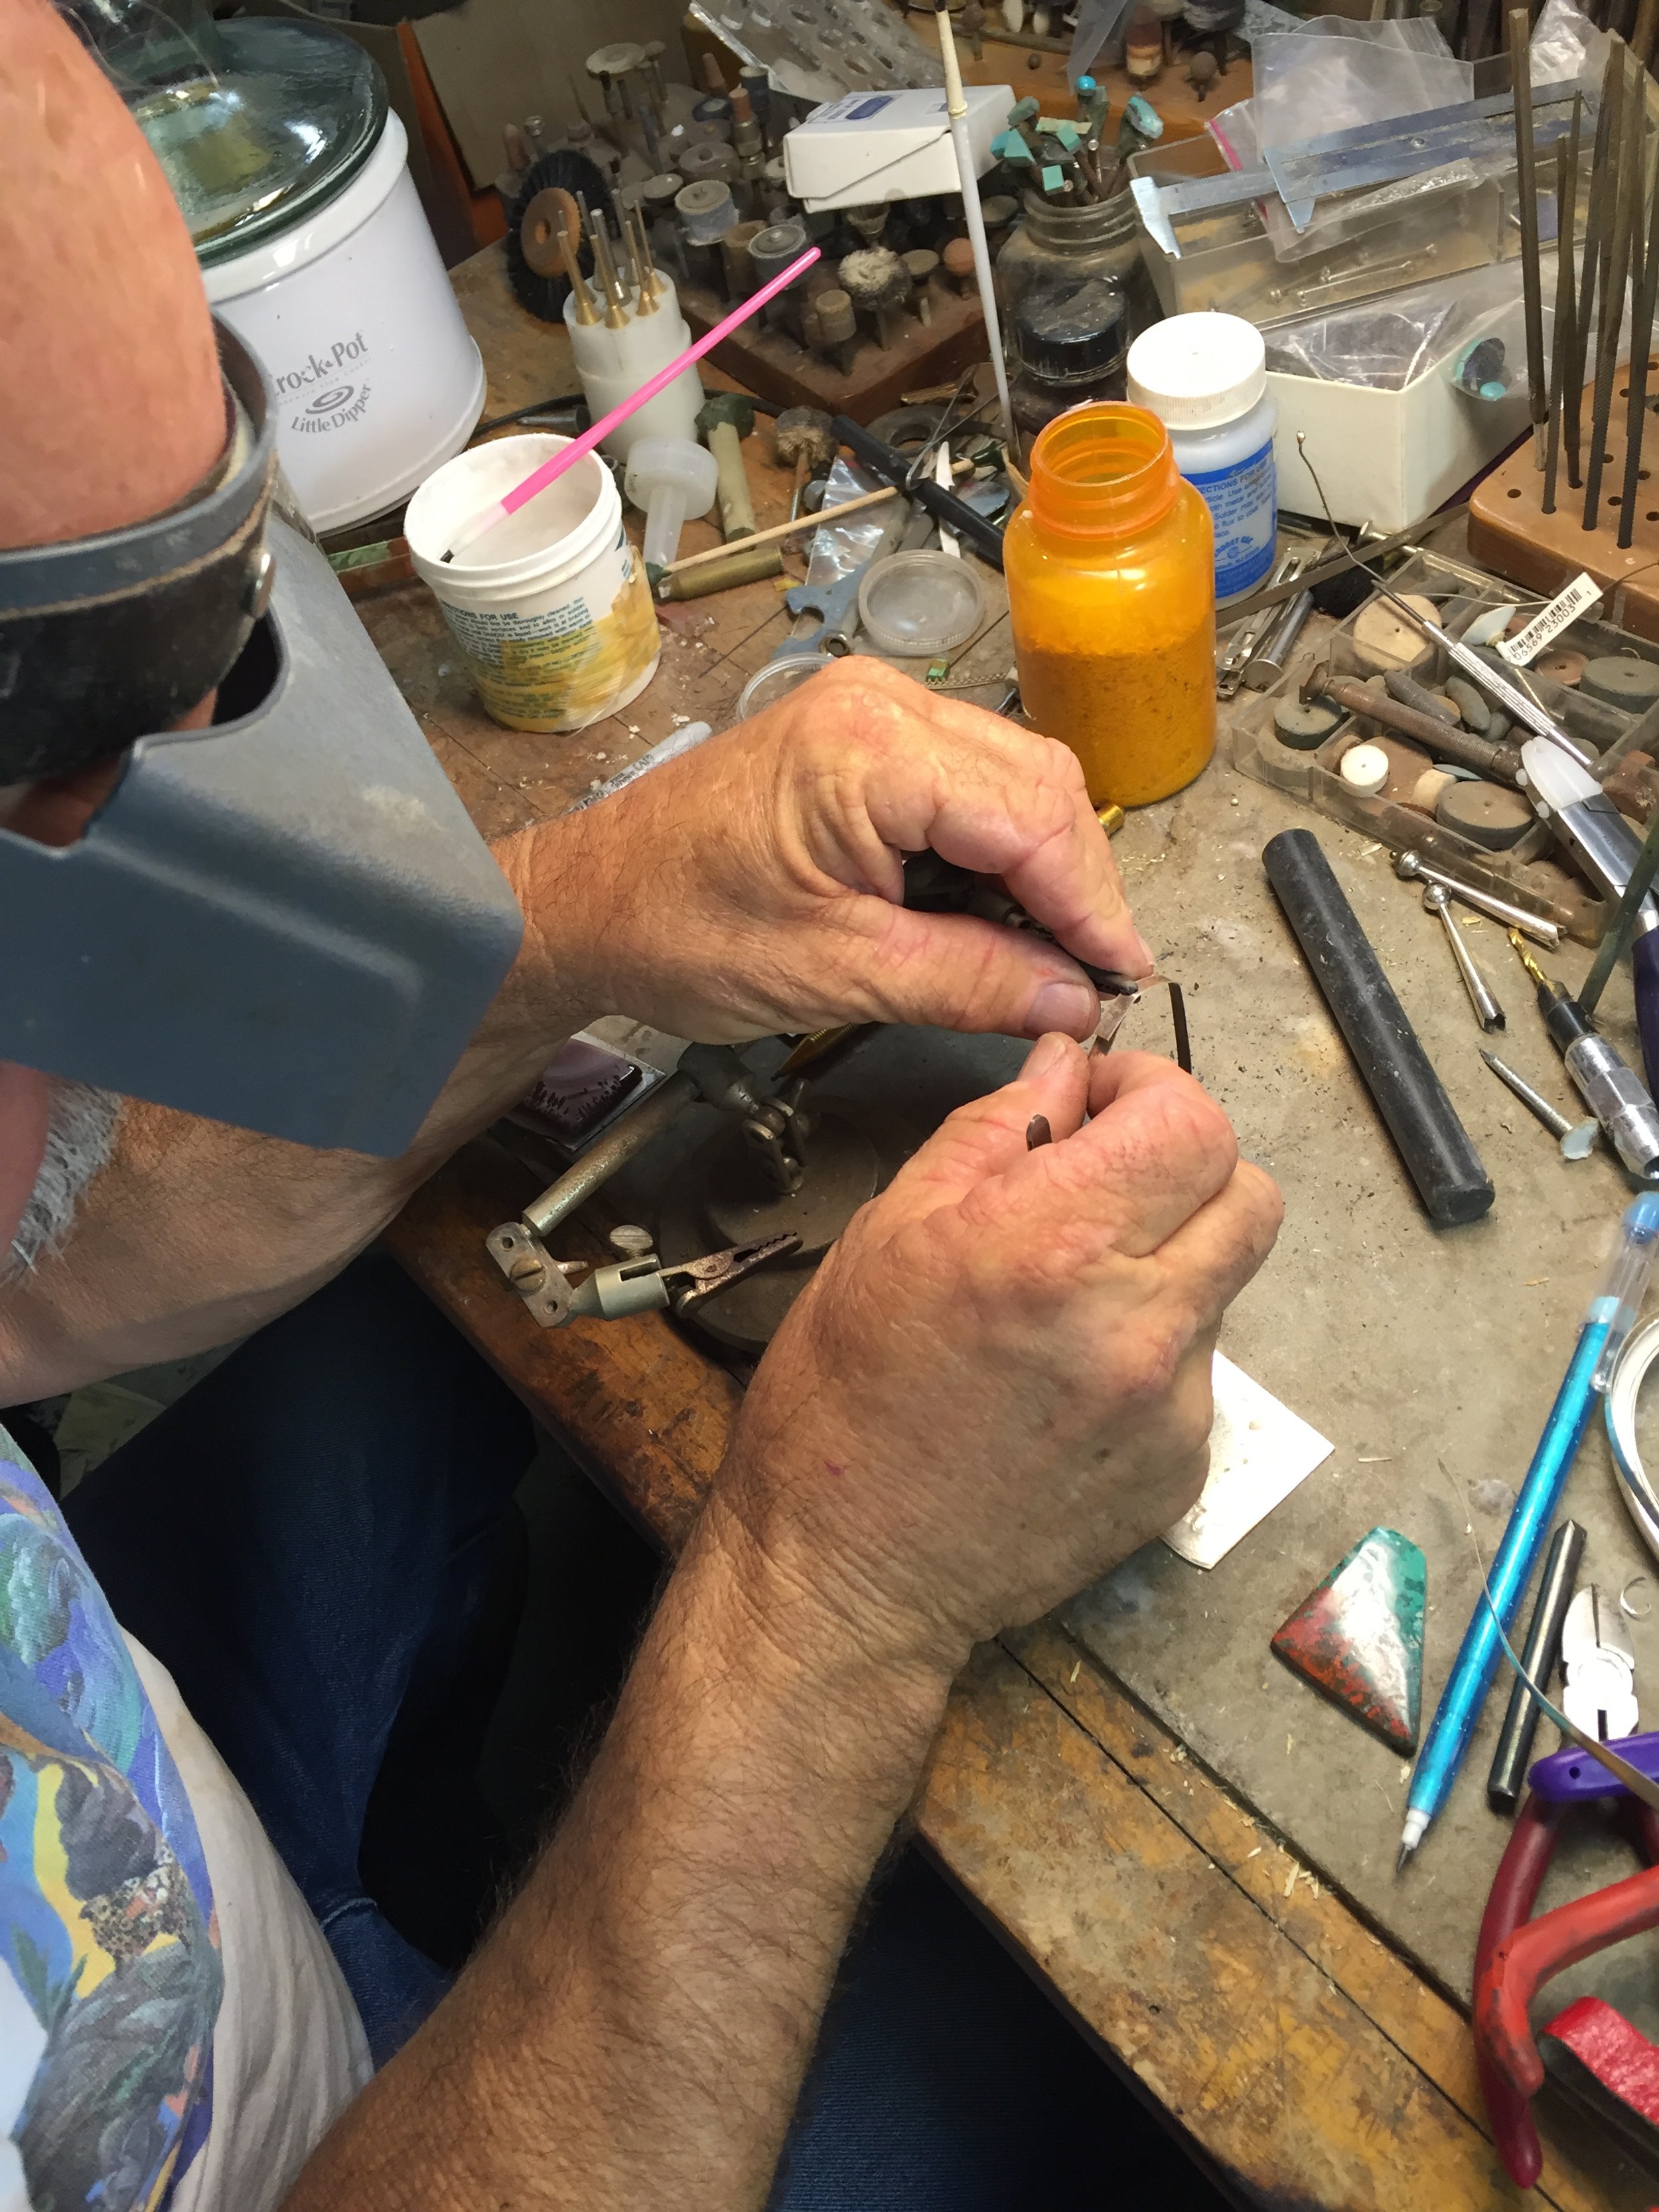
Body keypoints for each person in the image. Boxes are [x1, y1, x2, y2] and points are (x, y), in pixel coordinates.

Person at [0, 6, 1283, 2207]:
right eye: (33, 805)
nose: (110, 973)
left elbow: (32, 1269)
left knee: (404, 1347)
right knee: (1168, 2087)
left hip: (147, 1815)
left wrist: (574, 924)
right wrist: (825, 1587)